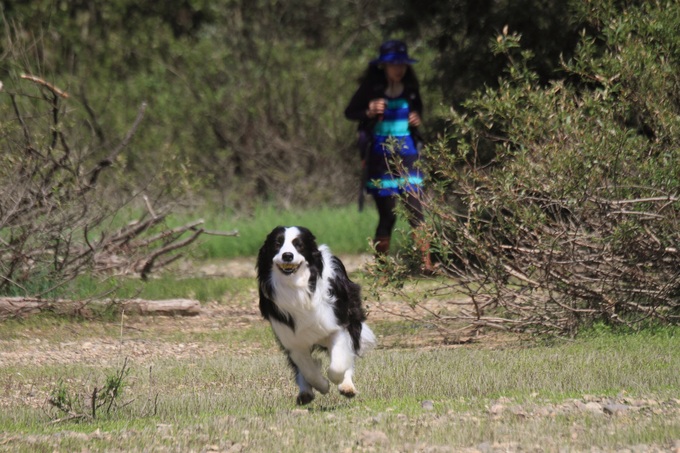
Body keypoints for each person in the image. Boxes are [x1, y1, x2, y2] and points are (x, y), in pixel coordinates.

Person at [344, 39, 434, 273]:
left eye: (402, 64)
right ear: (383, 66)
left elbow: (418, 113)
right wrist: (369, 110)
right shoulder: (370, 89)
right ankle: (383, 268)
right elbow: (350, 112)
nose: (399, 69)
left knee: (416, 209)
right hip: (380, 157)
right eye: (394, 64)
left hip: (408, 155)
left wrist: (417, 118)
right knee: (388, 214)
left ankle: (426, 264)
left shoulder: (411, 90)